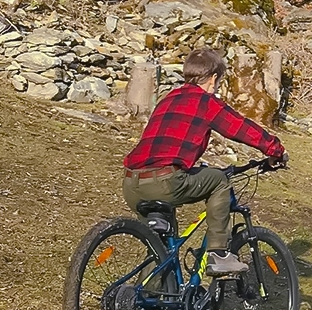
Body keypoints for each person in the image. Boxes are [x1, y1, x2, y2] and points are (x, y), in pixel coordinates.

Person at [122, 48, 286, 275]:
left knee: (160, 247)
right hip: (166, 181)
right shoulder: (205, 102)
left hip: (132, 183)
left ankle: (147, 303)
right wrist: (275, 150)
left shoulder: (167, 99)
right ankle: (218, 255)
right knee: (219, 180)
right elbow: (241, 128)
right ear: (214, 79)